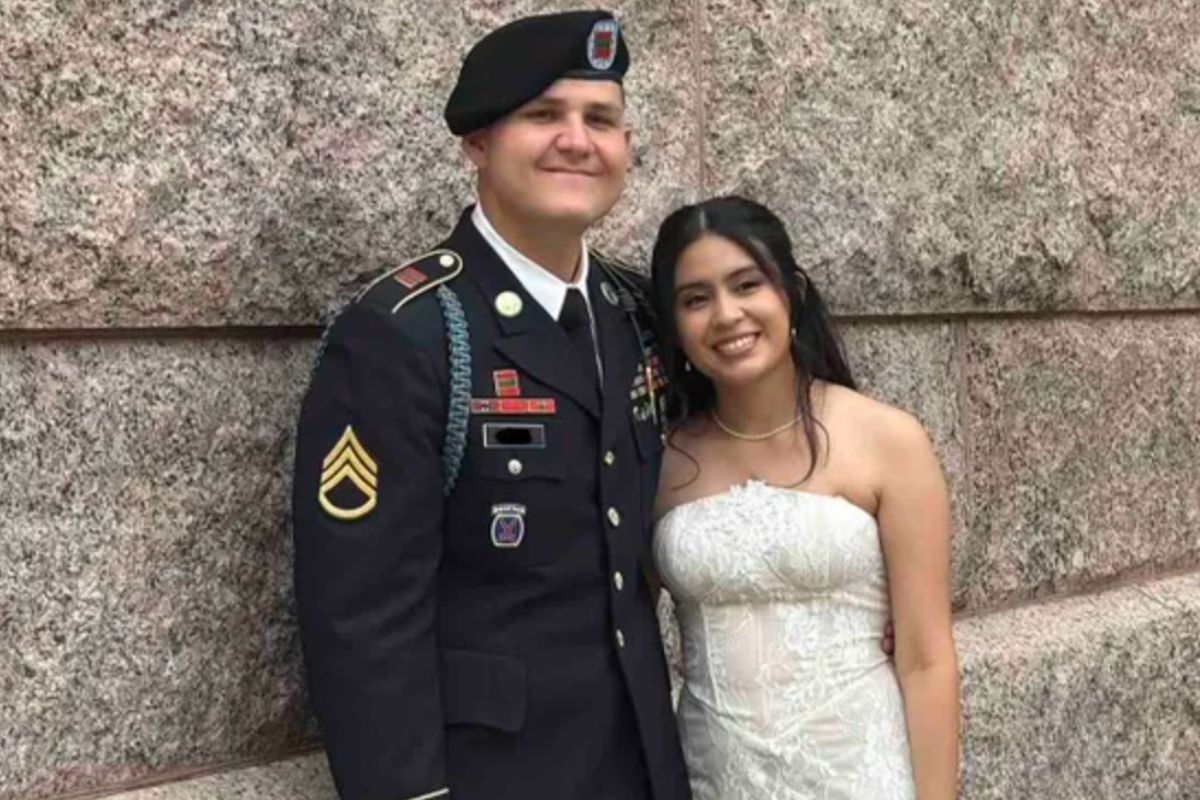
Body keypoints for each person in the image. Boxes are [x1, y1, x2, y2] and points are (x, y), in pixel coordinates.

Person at [290, 11, 691, 800]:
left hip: (641, 764)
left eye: (601, 120)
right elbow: (362, 617)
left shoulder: (637, 314)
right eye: (544, 115)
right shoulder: (407, 332)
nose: (577, 140)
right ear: (477, 142)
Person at [648, 196, 960, 800]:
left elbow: (926, 659)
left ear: (790, 294)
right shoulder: (663, 461)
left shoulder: (887, 440)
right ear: (675, 325)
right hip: (716, 780)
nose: (727, 314)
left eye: (747, 284)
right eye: (695, 299)